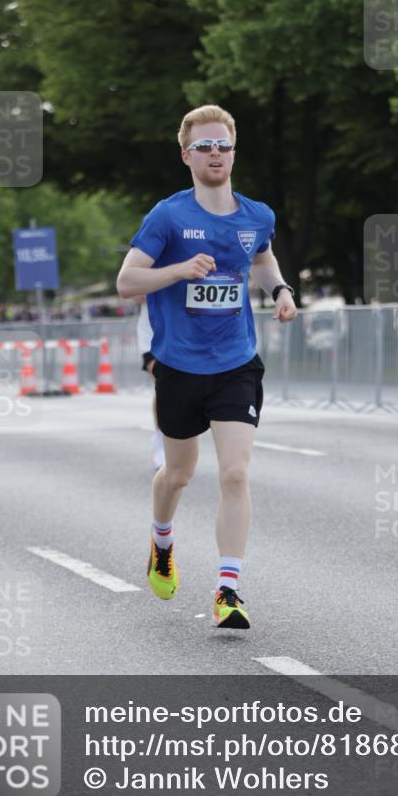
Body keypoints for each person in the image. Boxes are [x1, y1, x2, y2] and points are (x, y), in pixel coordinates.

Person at [117, 104, 297, 629]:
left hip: (236, 361)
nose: (215, 153)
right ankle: (162, 541)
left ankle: (228, 590)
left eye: (223, 145)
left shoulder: (256, 214)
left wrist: (280, 290)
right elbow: (127, 282)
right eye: (204, 147)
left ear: (234, 151)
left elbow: (261, 258)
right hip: (179, 365)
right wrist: (178, 270)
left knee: (236, 473)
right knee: (178, 474)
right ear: (186, 156)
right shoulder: (168, 216)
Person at [136, 296, 165, 470]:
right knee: (163, 385)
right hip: (152, 338)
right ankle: (160, 440)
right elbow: (132, 292)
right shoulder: (149, 266)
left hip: (186, 335)